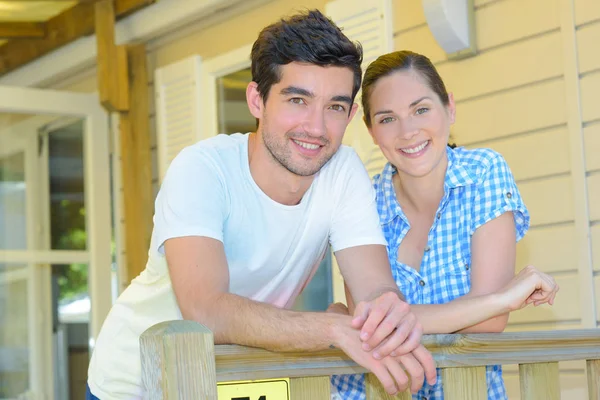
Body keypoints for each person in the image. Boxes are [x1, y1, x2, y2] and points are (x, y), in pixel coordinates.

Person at [86, 13, 438, 400]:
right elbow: (206, 311)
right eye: (297, 100)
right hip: (133, 382)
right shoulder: (203, 168)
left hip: (230, 380)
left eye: (334, 107)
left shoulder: (342, 170)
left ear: (351, 115)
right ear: (257, 99)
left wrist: (387, 312)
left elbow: (374, 289)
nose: (316, 127)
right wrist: (330, 328)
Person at [330, 50, 559, 399]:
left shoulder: (483, 173)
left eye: (421, 109)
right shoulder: (363, 200)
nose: (408, 131)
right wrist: (500, 299)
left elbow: (489, 323)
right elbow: (371, 326)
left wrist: (396, 322)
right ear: (371, 131)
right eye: (387, 118)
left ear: (449, 108)